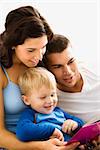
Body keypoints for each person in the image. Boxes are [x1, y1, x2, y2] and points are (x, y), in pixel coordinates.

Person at [0, 6, 80, 150]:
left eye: (43, 47)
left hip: (51, 140)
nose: (38, 56)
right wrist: (41, 146)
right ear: (12, 45)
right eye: (31, 50)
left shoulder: (40, 65)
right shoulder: (2, 72)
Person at [43, 34, 100, 149]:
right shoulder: (51, 99)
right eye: (58, 66)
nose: (67, 71)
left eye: (70, 62)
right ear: (48, 70)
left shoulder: (95, 70)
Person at [16, 67, 84, 142]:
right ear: (27, 100)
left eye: (52, 95)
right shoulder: (31, 114)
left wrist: (74, 124)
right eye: (43, 97)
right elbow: (22, 132)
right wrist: (51, 130)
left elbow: (80, 122)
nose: (50, 100)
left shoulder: (57, 111)